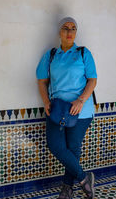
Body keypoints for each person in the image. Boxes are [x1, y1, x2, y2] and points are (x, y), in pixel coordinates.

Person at [36, 17, 97, 199]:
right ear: (59, 32)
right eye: (65, 28)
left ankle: (67, 188)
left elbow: (92, 80)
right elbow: (41, 81)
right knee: (55, 145)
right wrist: (46, 101)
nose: (70, 32)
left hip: (81, 110)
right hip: (56, 110)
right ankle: (84, 178)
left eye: (73, 28)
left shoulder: (83, 53)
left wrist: (80, 101)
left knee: (73, 147)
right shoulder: (51, 55)